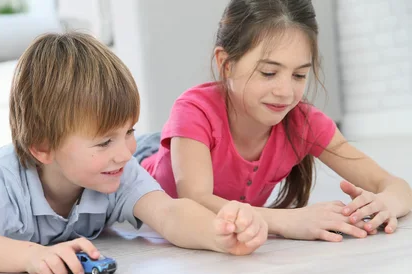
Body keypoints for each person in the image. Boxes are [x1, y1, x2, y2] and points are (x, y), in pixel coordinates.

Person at [0, 32, 268, 274]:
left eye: (130, 132)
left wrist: (217, 235)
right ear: (43, 148)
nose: (125, 152)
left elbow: (167, 213)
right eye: (105, 142)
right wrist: (31, 256)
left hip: (31, 160)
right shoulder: (1, 179)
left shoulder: (117, 167)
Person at [138, 0, 412, 242]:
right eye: (269, 73)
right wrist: (286, 221)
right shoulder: (194, 110)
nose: (285, 92)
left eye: (299, 76)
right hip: (142, 160)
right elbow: (193, 203)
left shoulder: (303, 123)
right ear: (226, 64)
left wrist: (385, 203)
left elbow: (396, 186)